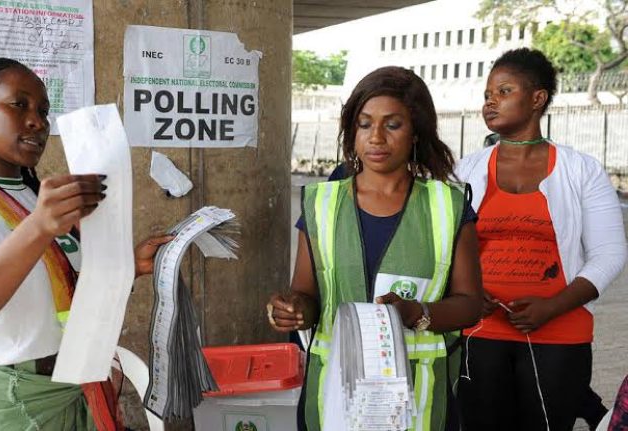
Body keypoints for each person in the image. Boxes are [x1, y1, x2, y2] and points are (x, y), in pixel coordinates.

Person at [0, 57, 171, 430]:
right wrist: (38, 228)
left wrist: (129, 267)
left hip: (68, 388)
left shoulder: (35, 198)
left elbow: (56, 299)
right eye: (19, 105)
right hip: (2, 401)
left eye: (44, 111)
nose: (38, 121)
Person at [267, 66, 483, 431]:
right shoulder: (321, 203)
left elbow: (471, 305)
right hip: (335, 398)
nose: (376, 137)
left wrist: (416, 313)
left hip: (418, 403)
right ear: (352, 132)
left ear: (416, 130)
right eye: (365, 124)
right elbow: (306, 292)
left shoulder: (448, 205)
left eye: (392, 124)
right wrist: (293, 311)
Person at [456, 48, 627, 431]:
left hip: (560, 334)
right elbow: (448, 248)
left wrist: (553, 306)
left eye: (504, 91)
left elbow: (609, 253)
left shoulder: (581, 170)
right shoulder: (465, 170)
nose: (490, 102)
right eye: (487, 95)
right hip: (479, 330)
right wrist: (464, 292)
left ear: (537, 99)